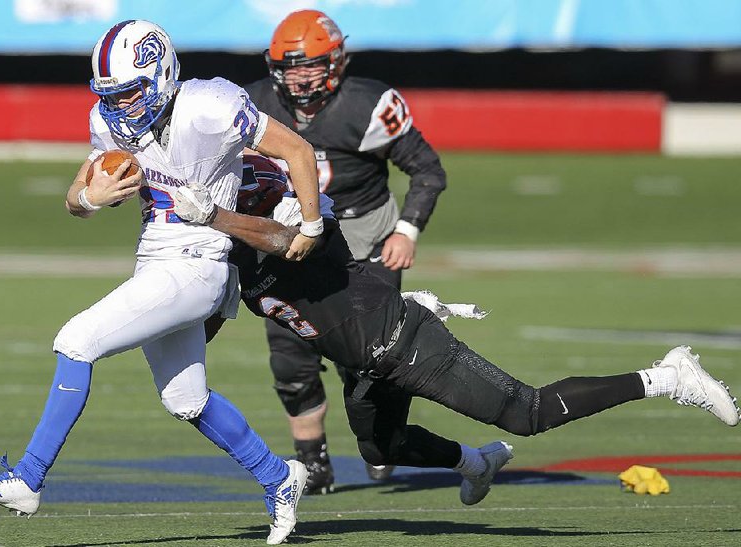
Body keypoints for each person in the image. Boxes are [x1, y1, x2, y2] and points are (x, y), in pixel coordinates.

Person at [179, 156, 740, 508]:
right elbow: (205, 316)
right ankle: (477, 462)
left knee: (528, 412)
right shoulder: (232, 258)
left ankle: (666, 376)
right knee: (381, 448)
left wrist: (216, 218)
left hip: (405, 341)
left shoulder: (301, 222)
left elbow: (289, 241)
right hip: (366, 361)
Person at [0, 20, 323, 545]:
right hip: (157, 261)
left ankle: (27, 478)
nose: (119, 106)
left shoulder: (209, 105)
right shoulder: (108, 122)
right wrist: (88, 200)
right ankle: (279, 477)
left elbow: (299, 152)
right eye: (110, 95)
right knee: (185, 399)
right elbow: (75, 197)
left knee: (76, 341)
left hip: (200, 259)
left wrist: (309, 225)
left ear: (161, 74)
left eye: (128, 92)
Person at [243, 9, 448, 493]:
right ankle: (312, 463)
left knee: (370, 360)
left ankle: (385, 441)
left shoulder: (369, 105)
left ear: (336, 62)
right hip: (293, 245)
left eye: (310, 66)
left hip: (364, 242)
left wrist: (407, 231)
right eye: (290, 68)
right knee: (291, 359)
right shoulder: (249, 104)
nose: (300, 77)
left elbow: (427, 171)